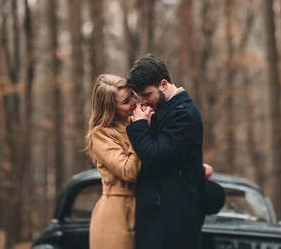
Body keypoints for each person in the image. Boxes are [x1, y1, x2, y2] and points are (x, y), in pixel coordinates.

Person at [126, 54, 208, 249]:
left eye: (146, 95)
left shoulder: (183, 114)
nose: (143, 102)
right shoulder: (167, 111)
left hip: (173, 221)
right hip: (162, 217)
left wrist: (139, 125)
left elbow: (155, 156)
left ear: (163, 84)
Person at [85, 74, 153, 249]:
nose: (133, 102)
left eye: (132, 95)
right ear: (110, 109)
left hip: (142, 208)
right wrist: (140, 130)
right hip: (116, 216)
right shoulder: (101, 133)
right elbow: (128, 172)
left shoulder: (134, 121)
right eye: (125, 101)